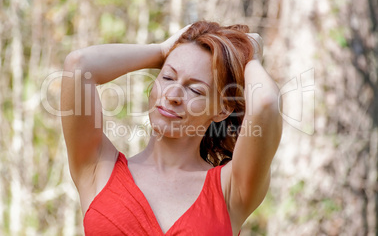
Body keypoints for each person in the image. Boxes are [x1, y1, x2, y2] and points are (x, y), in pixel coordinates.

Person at [60, 21, 282, 235]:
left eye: (195, 90)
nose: (172, 95)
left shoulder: (231, 189)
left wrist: (249, 57)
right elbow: (79, 65)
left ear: (222, 110)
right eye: (167, 77)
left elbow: (266, 102)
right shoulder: (98, 167)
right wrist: (161, 50)